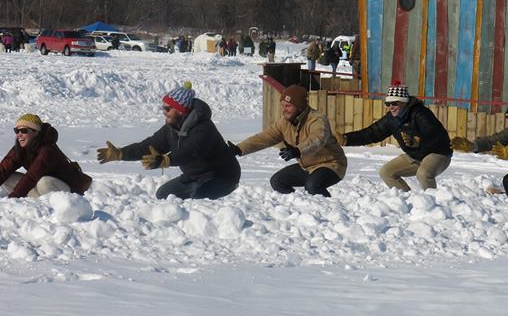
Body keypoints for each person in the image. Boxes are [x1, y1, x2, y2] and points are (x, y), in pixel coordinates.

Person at [96, 82, 240, 200]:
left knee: (200, 200)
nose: (163, 111)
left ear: (181, 110)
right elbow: (149, 145)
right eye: (163, 107)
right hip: (194, 177)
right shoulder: (171, 128)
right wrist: (121, 154)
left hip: (221, 177)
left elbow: (191, 151)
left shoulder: (203, 128)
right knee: (163, 195)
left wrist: (166, 160)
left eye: (167, 108)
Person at [229, 84, 346, 196]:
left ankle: (330, 211)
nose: (284, 110)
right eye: (283, 105)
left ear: (300, 106)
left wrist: (298, 150)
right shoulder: (284, 122)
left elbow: (317, 139)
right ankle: (298, 206)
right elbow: (265, 137)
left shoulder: (316, 120)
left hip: (332, 165)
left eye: (288, 106)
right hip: (307, 167)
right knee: (277, 181)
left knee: (313, 185)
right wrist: (239, 149)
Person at [337, 83, 452, 191]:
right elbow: (371, 133)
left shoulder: (420, 113)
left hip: (438, 153)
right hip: (415, 156)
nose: (391, 107)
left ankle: (434, 206)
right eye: (388, 104)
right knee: (386, 172)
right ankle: (407, 202)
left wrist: (418, 141)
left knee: (423, 174)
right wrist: (346, 139)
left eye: (394, 103)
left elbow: (435, 134)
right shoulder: (391, 119)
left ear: (404, 102)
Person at [0, 114, 92, 198]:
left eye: (24, 130)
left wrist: (13, 197)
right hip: (42, 187)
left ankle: (54, 204)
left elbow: (31, 176)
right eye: (17, 131)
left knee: (45, 181)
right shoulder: (20, 148)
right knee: (8, 177)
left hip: (68, 191)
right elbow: (3, 169)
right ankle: (30, 200)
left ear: (36, 132)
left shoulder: (48, 150)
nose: (19, 135)